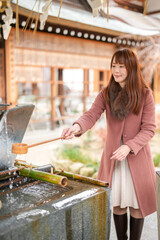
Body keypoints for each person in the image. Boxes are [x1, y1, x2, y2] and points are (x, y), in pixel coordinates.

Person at [61, 48, 156, 240]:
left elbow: (149, 129)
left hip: (136, 158)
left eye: (121, 66)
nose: (116, 70)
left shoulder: (145, 94)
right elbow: (91, 115)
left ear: (131, 68)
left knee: (137, 206)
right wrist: (77, 127)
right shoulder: (106, 93)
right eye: (114, 66)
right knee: (118, 205)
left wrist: (129, 146)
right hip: (114, 160)